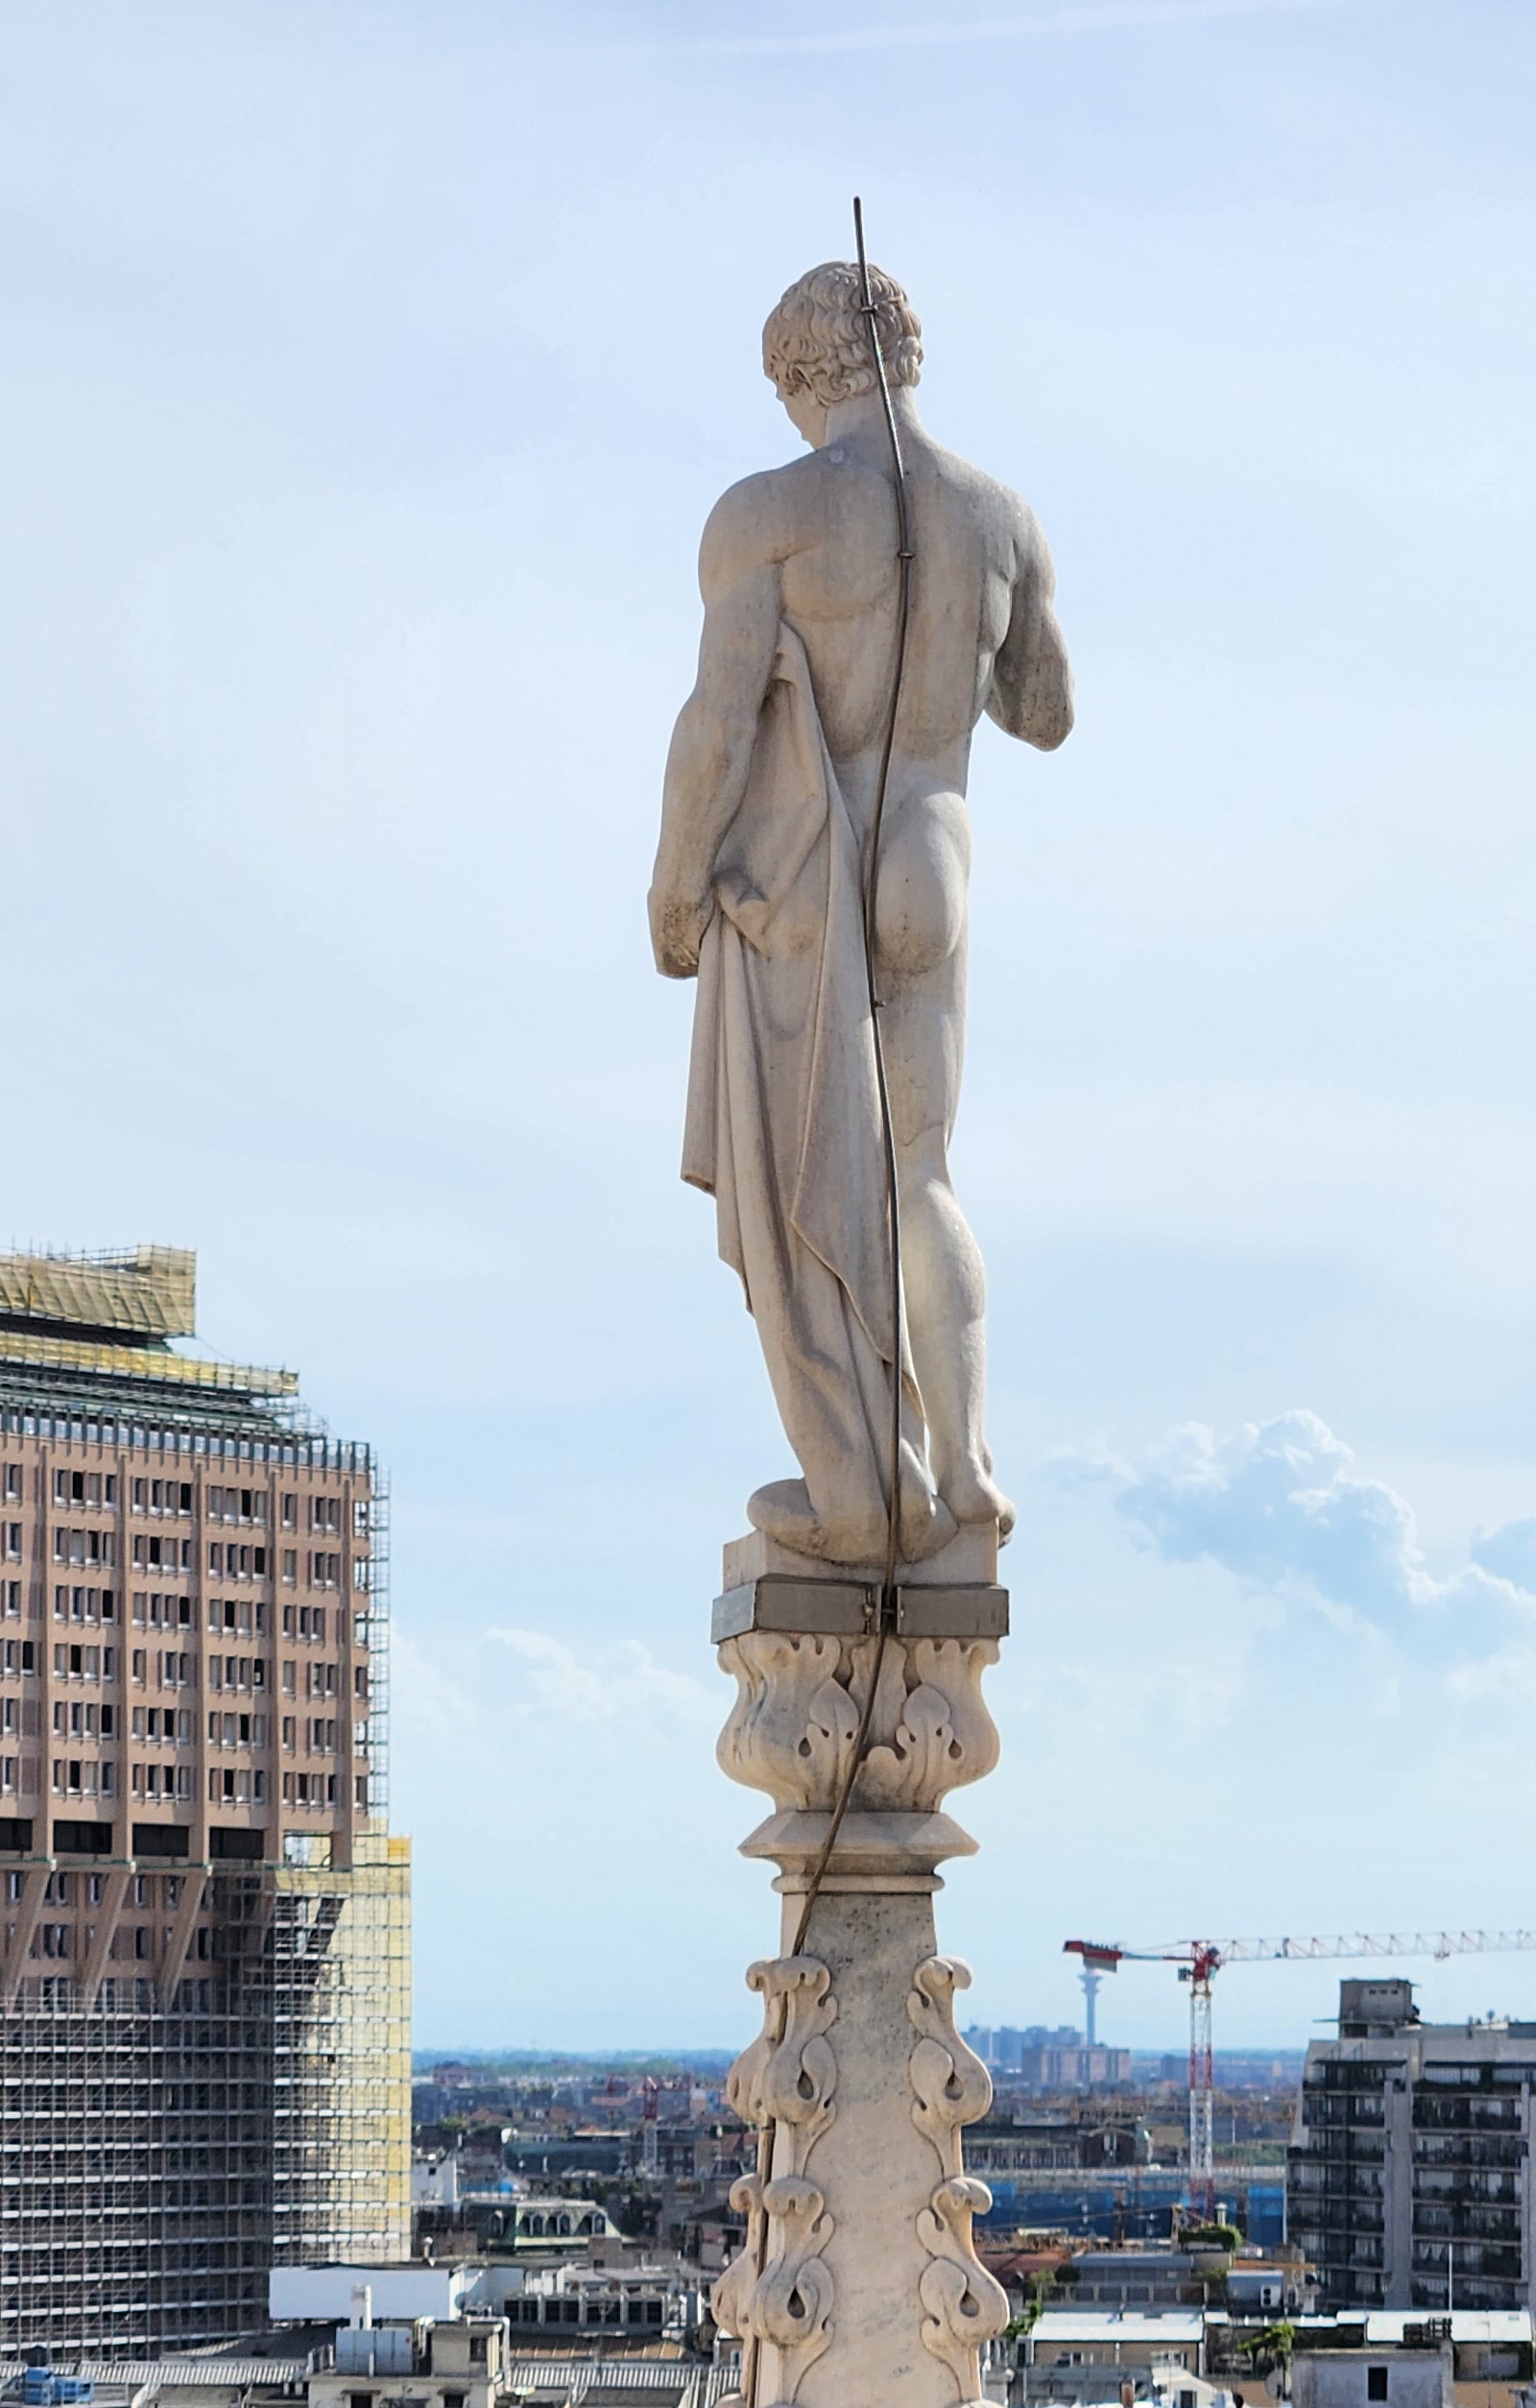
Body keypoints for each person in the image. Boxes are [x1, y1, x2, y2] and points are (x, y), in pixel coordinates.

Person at [651, 261, 1072, 1573]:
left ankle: (857, 1479)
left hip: (807, 878)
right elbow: (1046, 713)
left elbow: (719, 723)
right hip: (931, 856)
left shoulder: (768, 514)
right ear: (908, 356)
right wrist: (952, 621)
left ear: (795, 375)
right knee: (922, 1172)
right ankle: (966, 1463)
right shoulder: (1000, 515)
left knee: (807, 1186)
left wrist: (674, 886)